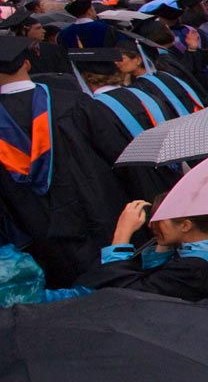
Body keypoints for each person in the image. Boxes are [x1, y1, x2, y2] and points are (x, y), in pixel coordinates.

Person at [0, 35, 132, 286]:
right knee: (120, 279)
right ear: (27, 64)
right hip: (100, 215)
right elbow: (118, 154)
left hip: (38, 233)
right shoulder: (74, 102)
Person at [77, 196, 208, 300]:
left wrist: (121, 237)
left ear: (185, 226)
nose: (150, 225)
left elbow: (128, 295)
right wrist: (164, 245)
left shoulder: (193, 268)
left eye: (158, 220)